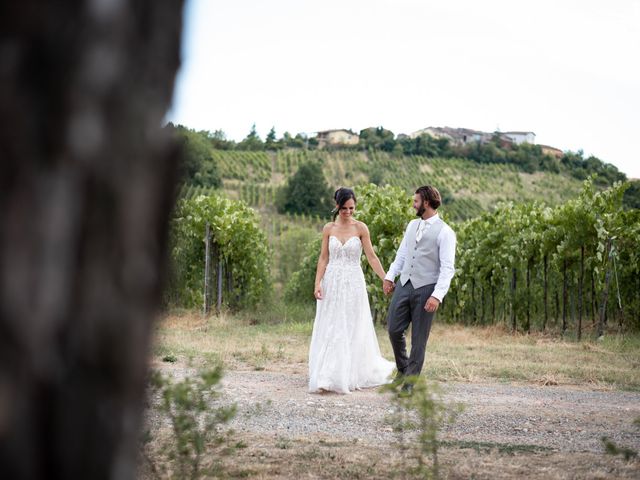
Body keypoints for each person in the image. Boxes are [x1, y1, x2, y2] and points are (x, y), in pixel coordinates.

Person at [308, 188, 395, 394]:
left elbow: (372, 257)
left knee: (351, 324)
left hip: (354, 282)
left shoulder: (361, 228)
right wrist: (317, 283)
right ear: (337, 206)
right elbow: (323, 258)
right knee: (332, 325)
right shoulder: (328, 228)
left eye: (352, 208)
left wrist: (386, 278)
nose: (348, 212)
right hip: (333, 281)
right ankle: (327, 374)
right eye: (344, 208)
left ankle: (348, 372)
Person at [383, 185, 456, 391]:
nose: (413, 205)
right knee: (393, 329)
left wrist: (437, 295)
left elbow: (447, 268)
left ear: (425, 202)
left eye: (415, 201)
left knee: (419, 339)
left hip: (427, 289)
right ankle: (403, 367)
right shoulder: (412, 225)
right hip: (405, 284)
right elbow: (402, 254)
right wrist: (390, 276)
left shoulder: (445, 232)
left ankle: (410, 382)